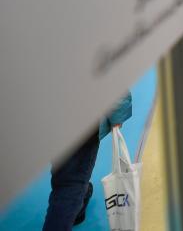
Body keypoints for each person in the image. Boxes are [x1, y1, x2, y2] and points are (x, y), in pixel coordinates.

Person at [44, 93, 132, 230]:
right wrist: (118, 113)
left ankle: (79, 202)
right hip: (80, 115)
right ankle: (72, 201)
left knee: (64, 167)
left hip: (48, 112)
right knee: (70, 185)